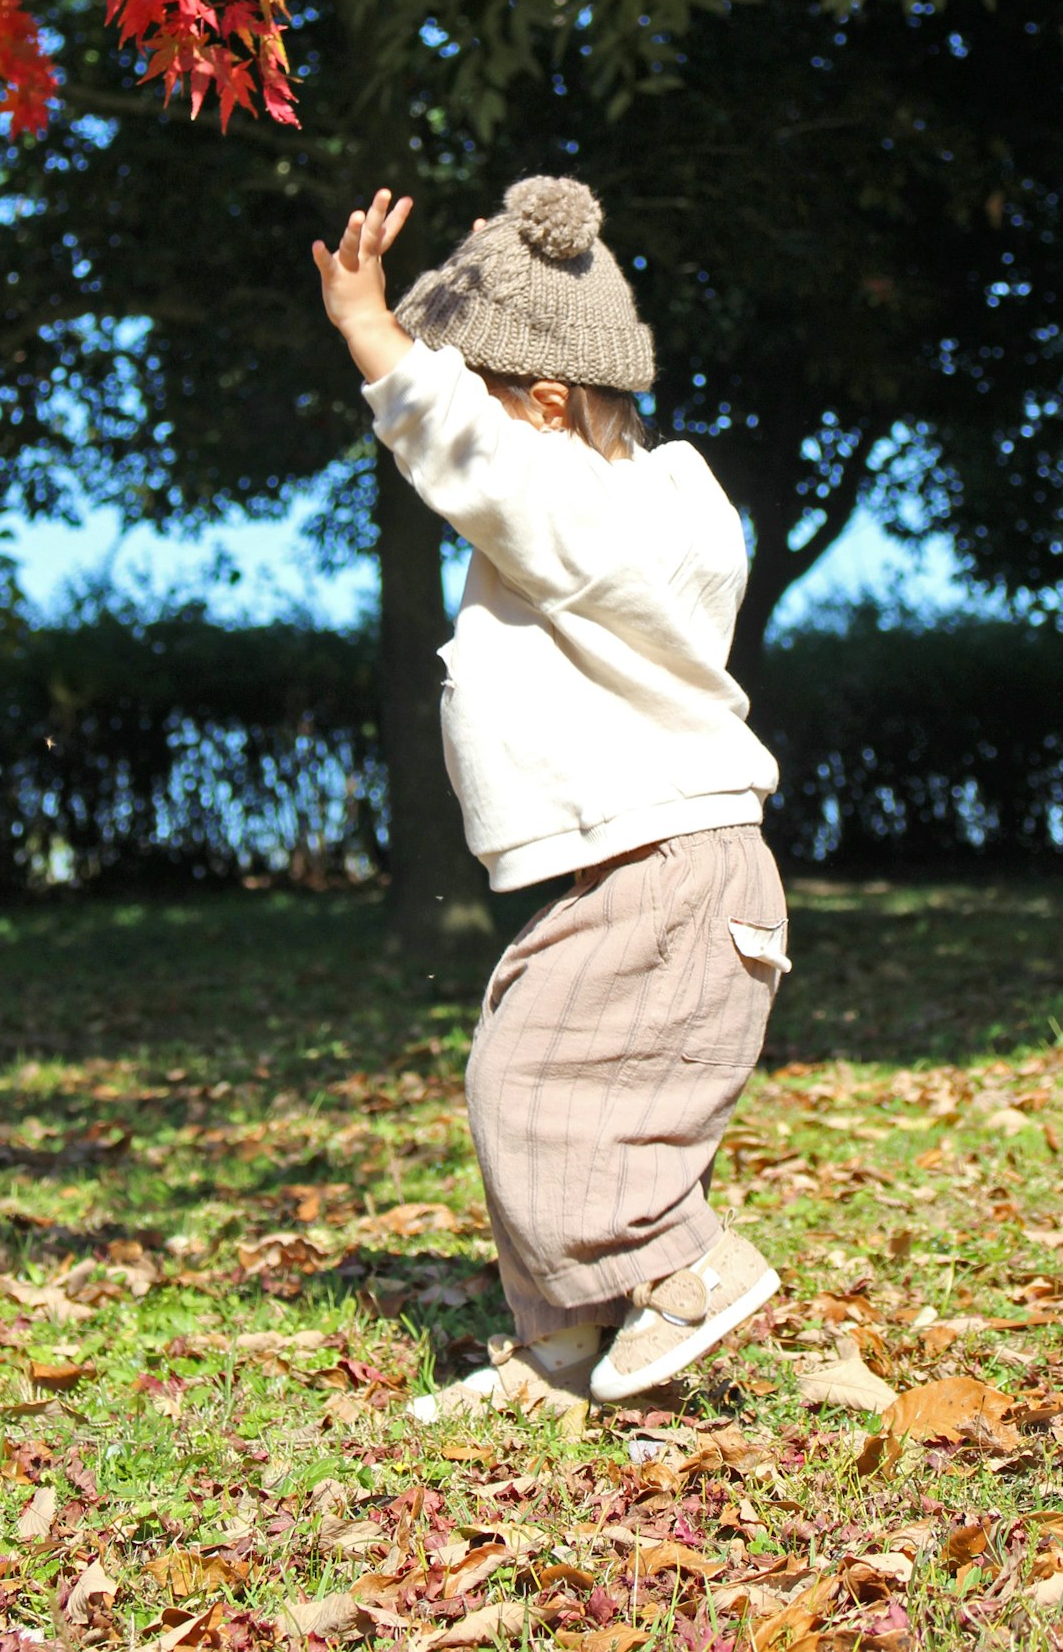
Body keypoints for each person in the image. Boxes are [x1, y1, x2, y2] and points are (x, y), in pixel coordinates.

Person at [312, 175, 788, 1413]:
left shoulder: (581, 508)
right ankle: (564, 1345)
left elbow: (487, 468)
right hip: (665, 865)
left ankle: (684, 1272)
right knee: (523, 1070)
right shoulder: (662, 504)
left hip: (666, 872)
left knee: (538, 1088)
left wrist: (374, 332)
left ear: (546, 403)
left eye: (474, 395)